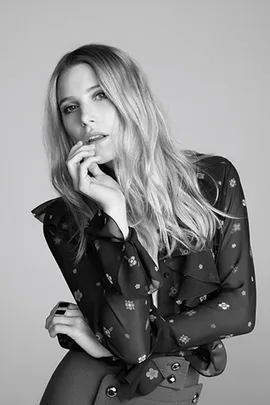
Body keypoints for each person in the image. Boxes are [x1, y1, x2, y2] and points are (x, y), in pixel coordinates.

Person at [31, 43, 256, 405]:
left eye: (100, 95)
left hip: (163, 387)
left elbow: (240, 310)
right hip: (83, 385)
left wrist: (110, 345)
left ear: (130, 98)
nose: (85, 118)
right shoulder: (64, 220)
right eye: (70, 108)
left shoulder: (211, 180)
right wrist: (114, 216)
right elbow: (131, 345)